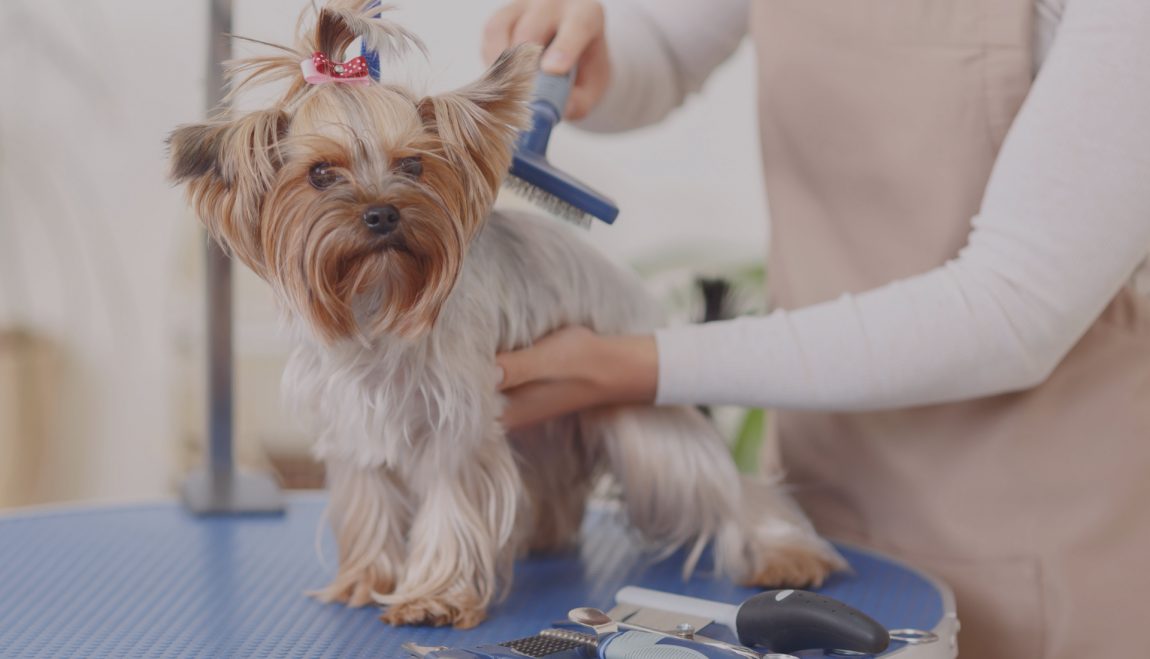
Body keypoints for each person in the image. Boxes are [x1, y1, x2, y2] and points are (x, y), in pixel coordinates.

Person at [482, 1, 1150, 657]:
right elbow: (663, 46)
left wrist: (634, 365)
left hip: (1035, 521)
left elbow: (1012, 309)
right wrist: (593, 58)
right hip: (817, 494)